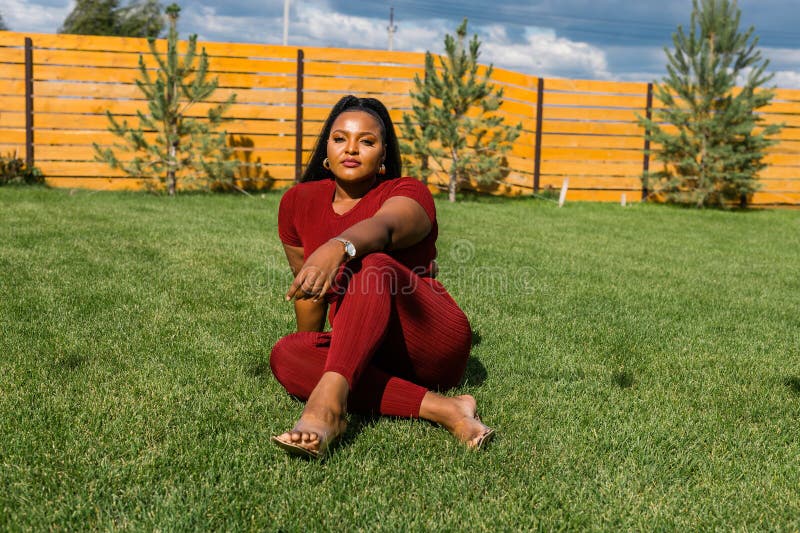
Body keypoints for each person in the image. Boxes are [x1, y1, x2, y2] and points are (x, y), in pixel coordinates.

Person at [269, 95, 494, 459]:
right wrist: (309, 350)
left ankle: (327, 409)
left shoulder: (407, 192)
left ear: (384, 154)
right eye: (340, 138)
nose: (352, 148)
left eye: (367, 141)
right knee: (285, 354)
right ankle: (447, 409)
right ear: (326, 149)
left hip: (428, 338)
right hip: (362, 346)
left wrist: (339, 245)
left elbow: (386, 228)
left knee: (372, 265)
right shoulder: (298, 202)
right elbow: (310, 291)